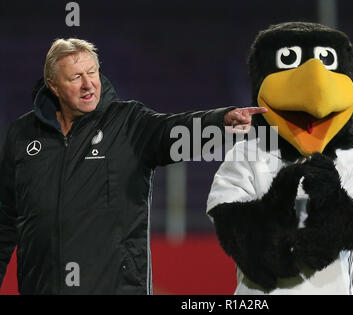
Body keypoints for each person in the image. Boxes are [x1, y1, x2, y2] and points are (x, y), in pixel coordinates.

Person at [0, 38, 266, 295]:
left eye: (91, 72)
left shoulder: (127, 124)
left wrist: (220, 122)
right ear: (53, 85)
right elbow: (6, 220)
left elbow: (170, 132)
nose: (88, 84)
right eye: (75, 77)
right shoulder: (23, 135)